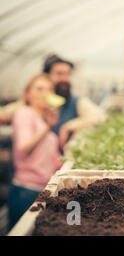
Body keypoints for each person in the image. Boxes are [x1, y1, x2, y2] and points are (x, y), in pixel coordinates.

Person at [0, 54, 107, 150]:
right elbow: (4, 115)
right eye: (59, 74)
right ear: (46, 76)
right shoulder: (30, 103)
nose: (65, 79)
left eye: (67, 74)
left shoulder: (75, 102)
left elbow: (101, 116)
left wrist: (68, 126)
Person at [7, 74, 62, 231]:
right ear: (27, 94)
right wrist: (49, 127)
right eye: (39, 89)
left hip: (41, 190)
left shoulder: (41, 119)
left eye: (50, 89)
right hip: (27, 190)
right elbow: (24, 148)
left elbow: (49, 156)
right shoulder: (24, 113)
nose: (45, 93)